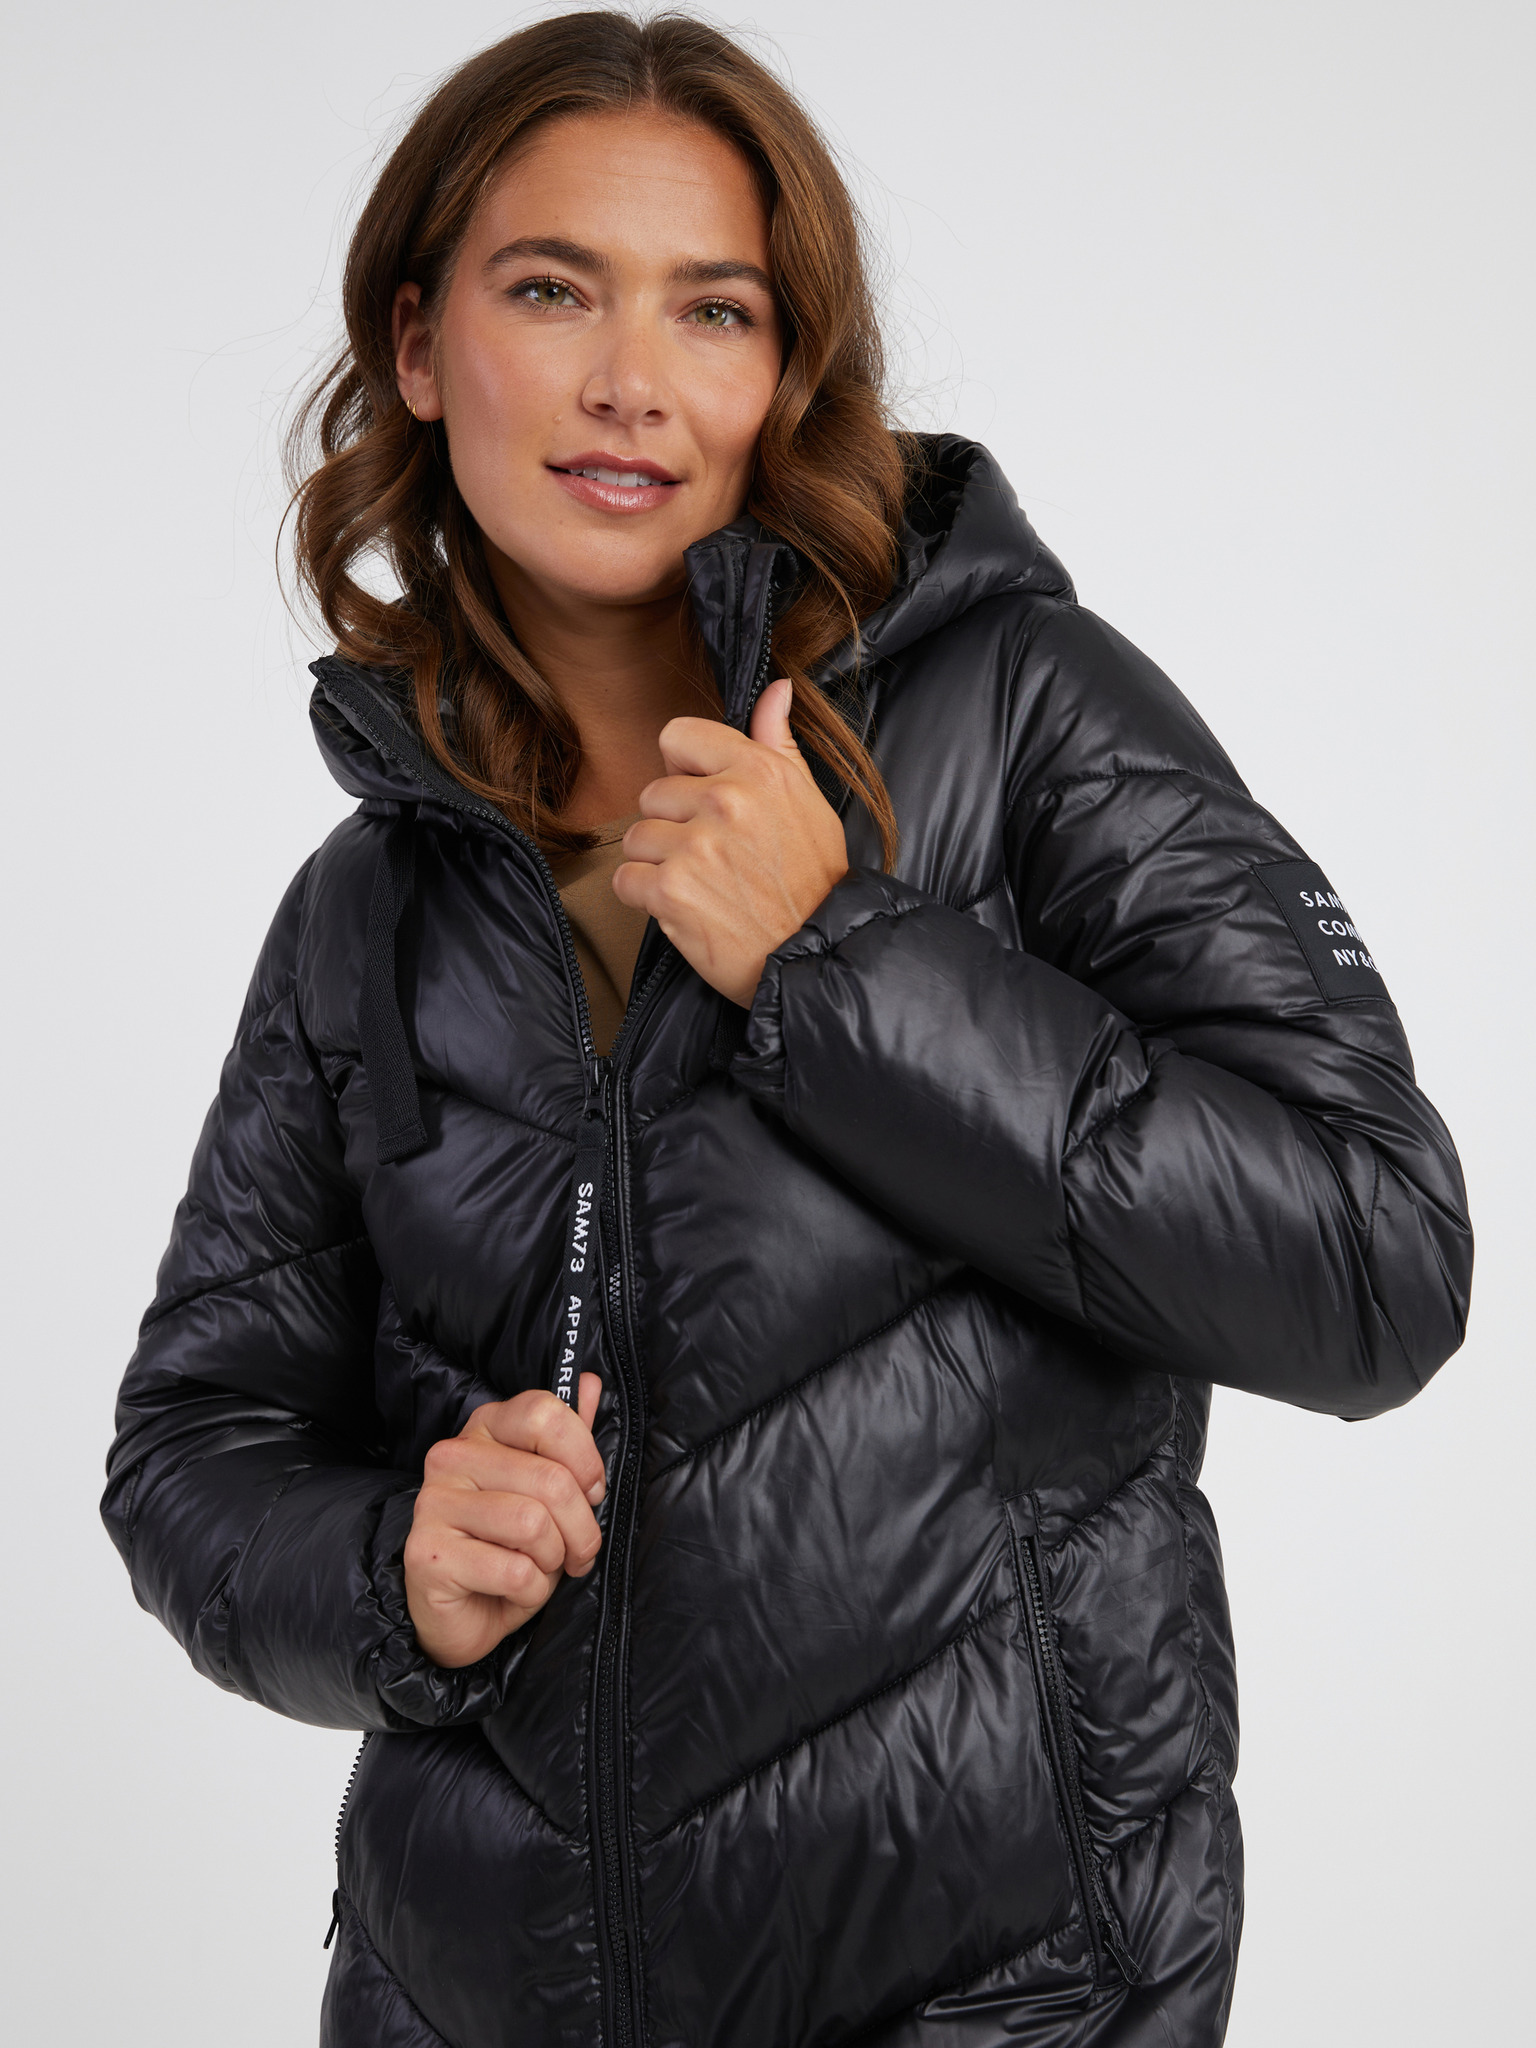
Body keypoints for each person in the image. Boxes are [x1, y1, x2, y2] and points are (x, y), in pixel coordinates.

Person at [101, 12, 1472, 2046]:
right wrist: (390, 1564)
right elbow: (192, 1454)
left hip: (1003, 1998)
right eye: (550, 289)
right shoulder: (368, 909)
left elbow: (1377, 1257)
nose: (630, 381)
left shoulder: (1019, 712)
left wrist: (836, 961)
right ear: (419, 343)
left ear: (789, 373)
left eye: (714, 311)